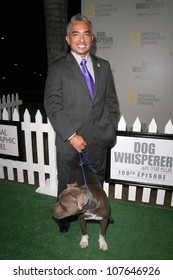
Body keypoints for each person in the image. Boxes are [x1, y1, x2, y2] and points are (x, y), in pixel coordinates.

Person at [44, 13, 119, 233]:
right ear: (68, 39)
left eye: (86, 34)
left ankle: (101, 210)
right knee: (66, 181)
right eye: (76, 34)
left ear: (92, 38)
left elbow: (110, 101)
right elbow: (52, 104)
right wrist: (70, 135)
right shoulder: (58, 68)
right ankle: (65, 218)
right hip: (70, 142)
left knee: (96, 183)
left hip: (98, 139)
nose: (81, 39)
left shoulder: (103, 66)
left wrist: (108, 126)